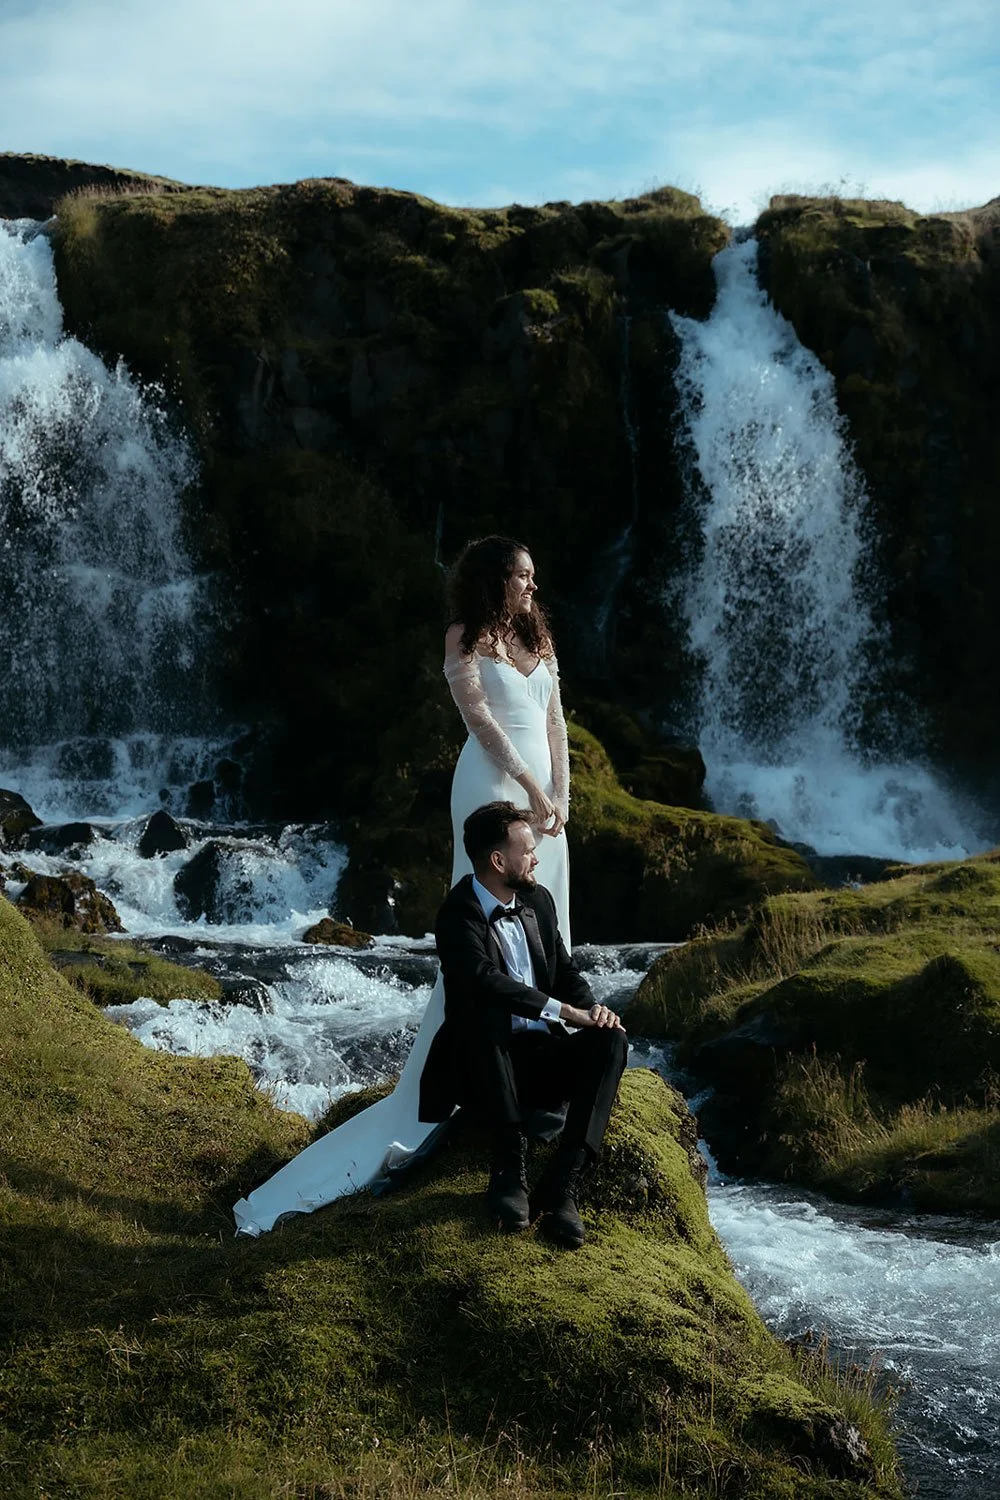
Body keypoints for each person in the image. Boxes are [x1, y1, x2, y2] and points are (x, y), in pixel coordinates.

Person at [233, 536, 573, 1236]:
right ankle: (473, 1065)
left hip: (548, 806)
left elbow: (555, 722)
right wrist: (530, 788)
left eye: (534, 577)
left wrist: (561, 796)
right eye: (521, 576)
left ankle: (543, 1065)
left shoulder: (538, 637)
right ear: (494, 579)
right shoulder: (464, 636)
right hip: (492, 787)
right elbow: (480, 721)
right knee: (484, 930)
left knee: (547, 926)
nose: (531, 588)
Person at [421, 801, 627, 1248]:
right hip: (484, 1068)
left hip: (540, 1062)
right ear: (498, 861)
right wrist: (564, 1012)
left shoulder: (538, 900)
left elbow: (564, 970)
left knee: (611, 1040)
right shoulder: (456, 914)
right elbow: (484, 981)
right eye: (528, 851)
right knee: (482, 1015)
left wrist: (593, 1012)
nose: (536, 859)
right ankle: (508, 1168)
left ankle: (563, 1183)